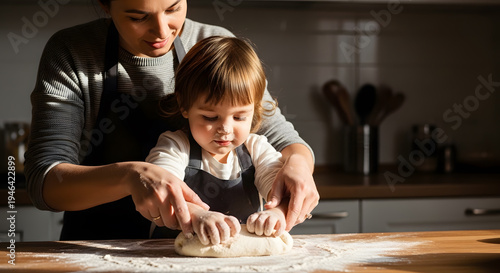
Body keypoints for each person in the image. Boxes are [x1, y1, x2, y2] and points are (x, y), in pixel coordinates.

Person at [25, 0, 319, 240]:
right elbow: (44, 181)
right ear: (106, 5)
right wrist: (131, 176)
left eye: (173, 8)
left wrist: (298, 167)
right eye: (138, 16)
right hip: (97, 247)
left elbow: (284, 141)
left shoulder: (214, 46)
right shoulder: (73, 52)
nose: (161, 31)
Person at [147, 36, 289, 244]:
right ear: (184, 105)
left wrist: (277, 214)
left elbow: (281, 194)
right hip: (170, 258)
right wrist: (197, 215)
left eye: (240, 117)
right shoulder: (175, 146)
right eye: (210, 117)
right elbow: (160, 191)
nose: (225, 129)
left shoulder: (256, 148)